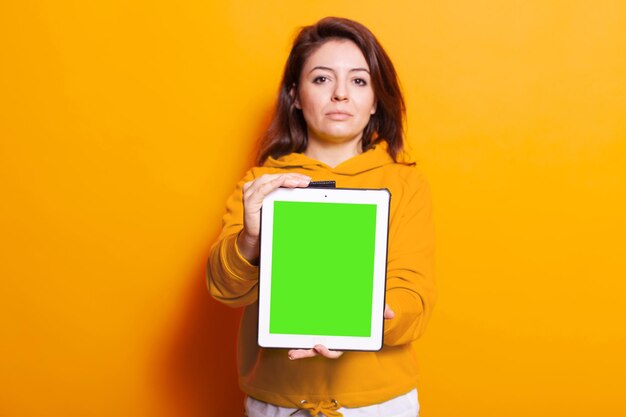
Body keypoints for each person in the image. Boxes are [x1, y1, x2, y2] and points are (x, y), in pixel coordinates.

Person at [207, 16, 435, 417]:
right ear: (295, 95)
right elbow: (225, 289)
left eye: (359, 81)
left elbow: (413, 297)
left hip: (379, 404)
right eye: (322, 79)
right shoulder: (260, 185)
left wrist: (366, 321)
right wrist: (251, 239)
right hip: (278, 401)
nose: (341, 95)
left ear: (376, 99)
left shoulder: (405, 185)